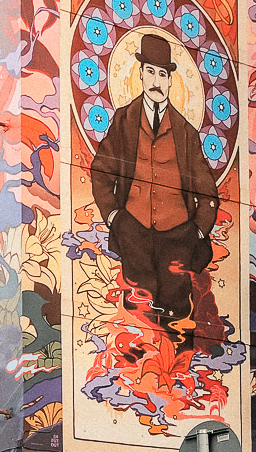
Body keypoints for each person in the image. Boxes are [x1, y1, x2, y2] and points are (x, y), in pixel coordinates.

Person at [90, 33, 219, 339]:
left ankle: (176, 370)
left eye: (163, 74)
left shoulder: (186, 132)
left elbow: (207, 189)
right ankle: (135, 371)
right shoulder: (124, 121)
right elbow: (99, 171)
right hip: (133, 230)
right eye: (150, 72)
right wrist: (114, 218)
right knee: (138, 310)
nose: (156, 81)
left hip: (178, 236)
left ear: (171, 80)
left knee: (176, 313)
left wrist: (197, 231)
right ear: (140, 74)